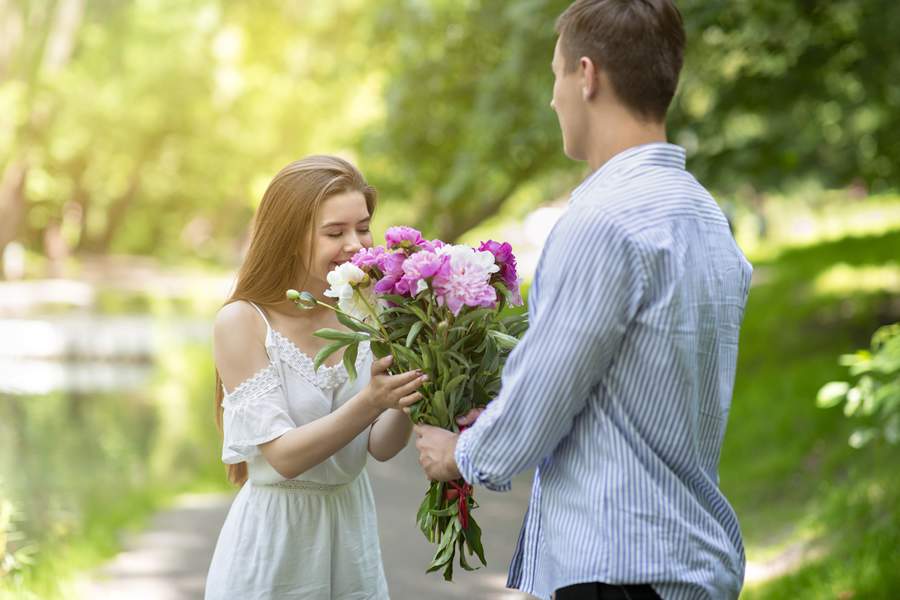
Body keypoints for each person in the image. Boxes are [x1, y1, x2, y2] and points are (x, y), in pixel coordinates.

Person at [413, 1, 752, 599]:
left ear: (587, 76)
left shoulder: (601, 220)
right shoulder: (705, 215)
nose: (552, 97)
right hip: (692, 565)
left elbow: (546, 391)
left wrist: (463, 454)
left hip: (619, 565)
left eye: (556, 74)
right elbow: (626, 387)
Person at [205, 155, 426, 599]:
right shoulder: (243, 322)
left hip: (349, 535)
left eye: (363, 228)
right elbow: (284, 457)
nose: (356, 244)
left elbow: (380, 446)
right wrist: (371, 401)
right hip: (277, 548)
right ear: (289, 237)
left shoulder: (367, 310)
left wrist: (415, 381)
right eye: (334, 232)